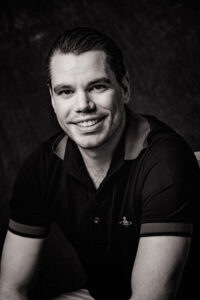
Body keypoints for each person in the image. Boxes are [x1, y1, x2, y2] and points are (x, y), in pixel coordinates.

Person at [0, 27, 199, 300]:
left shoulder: (166, 161)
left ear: (125, 88)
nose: (83, 105)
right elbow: (12, 288)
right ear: (52, 99)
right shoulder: (43, 167)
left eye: (97, 86)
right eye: (66, 91)